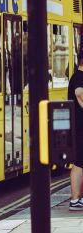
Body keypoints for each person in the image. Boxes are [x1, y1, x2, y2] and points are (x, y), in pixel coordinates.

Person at [67, 52, 83, 211]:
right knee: (79, 163)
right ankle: (75, 199)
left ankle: (79, 198)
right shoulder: (79, 77)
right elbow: (79, 93)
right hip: (80, 128)